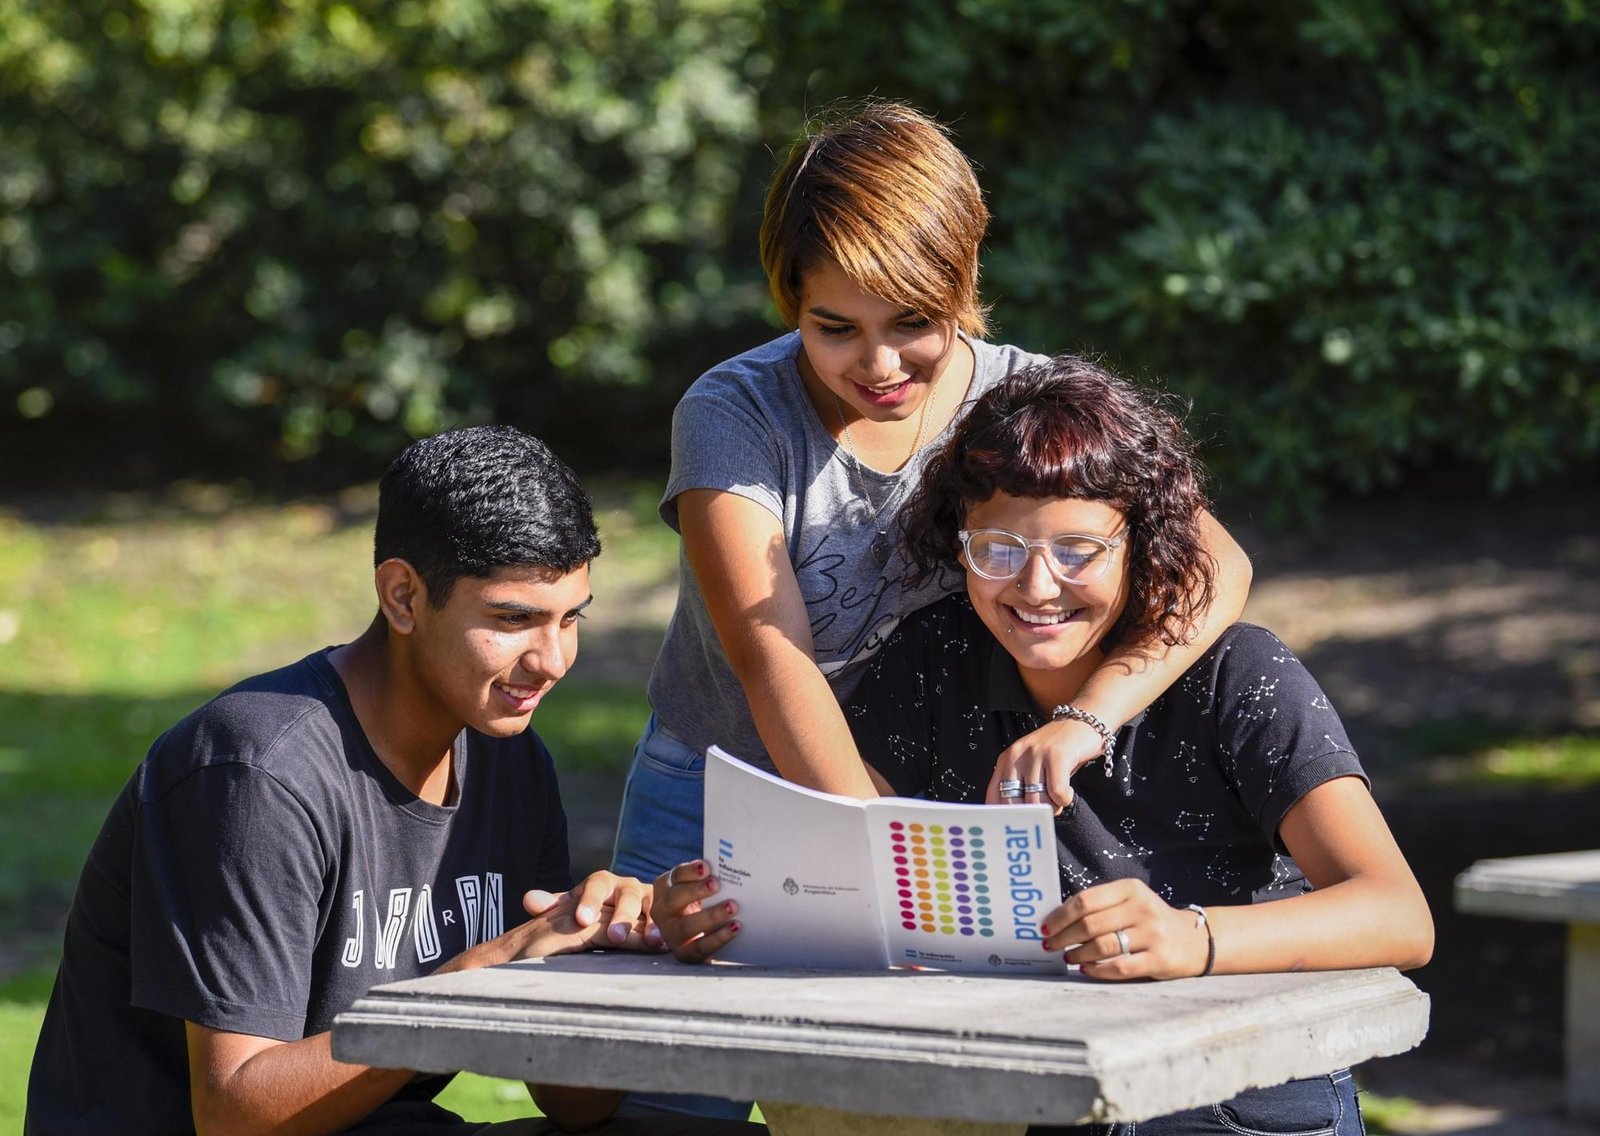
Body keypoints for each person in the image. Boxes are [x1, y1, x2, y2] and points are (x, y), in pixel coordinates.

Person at [656, 357, 1434, 1136]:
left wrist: (1189, 936)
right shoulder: (933, 664)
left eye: (1078, 551)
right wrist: (719, 913)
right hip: (1046, 1103)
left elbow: (1399, 915)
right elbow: (849, 875)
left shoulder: (1240, 674)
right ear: (957, 543)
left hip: (1246, 1096)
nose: (1035, 588)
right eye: (997, 550)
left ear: (1144, 543)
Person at [611, 97, 1253, 930]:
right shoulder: (733, 415)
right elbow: (772, 658)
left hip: (925, 787)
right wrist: (881, 851)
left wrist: (1087, 718)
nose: (879, 364)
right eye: (833, 327)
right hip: (721, 785)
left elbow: (1218, 567)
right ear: (787, 300)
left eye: (913, 321)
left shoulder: (1026, 400)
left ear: (965, 280)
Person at [26, 426, 760, 1136]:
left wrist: (606, 954)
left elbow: (575, 1107)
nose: (552, 661)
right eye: (513, 619)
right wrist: (477, 979)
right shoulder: (255, 774)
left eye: (571, 619)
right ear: (403, 597)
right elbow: (237, 1116)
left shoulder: (508, 756)